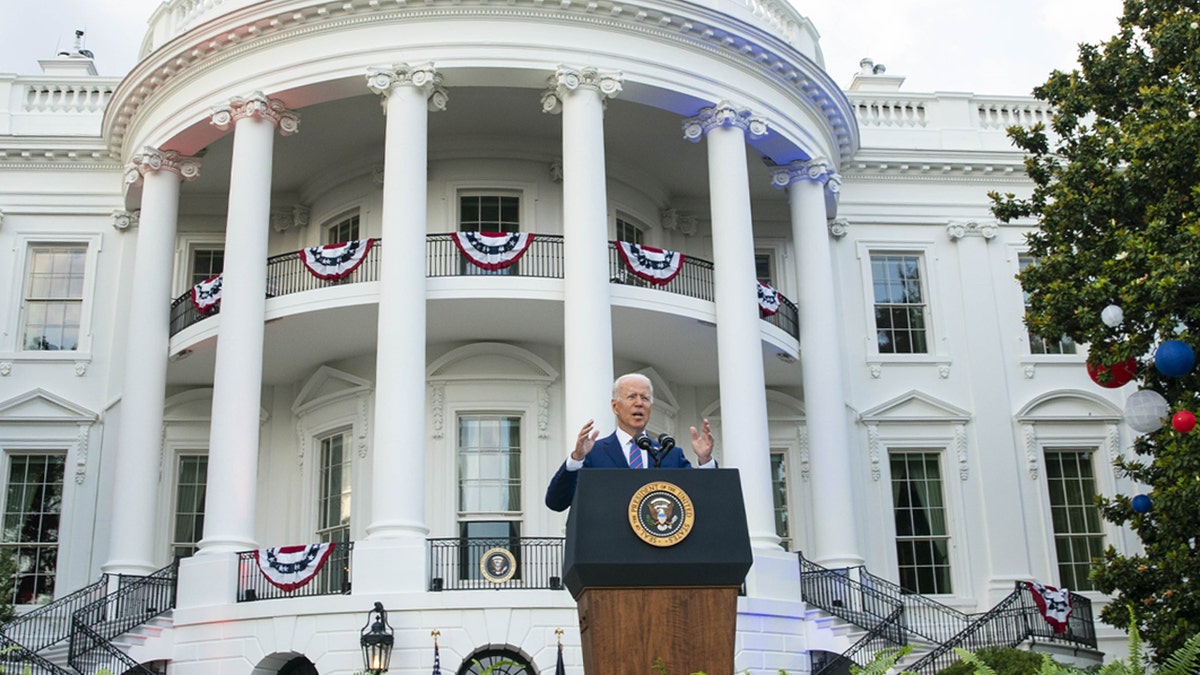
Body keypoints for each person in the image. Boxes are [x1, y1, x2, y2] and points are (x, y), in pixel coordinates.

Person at [544, 373, 715, 511]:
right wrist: (576, 459)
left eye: (645, 398)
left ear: (651, 407)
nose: (639, 403)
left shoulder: (670, 454)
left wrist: (705, 461)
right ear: (615, 406)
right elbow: (556, 502)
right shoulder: (593, 453)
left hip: (661, 550)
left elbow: (704, 500)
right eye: (631, 396)